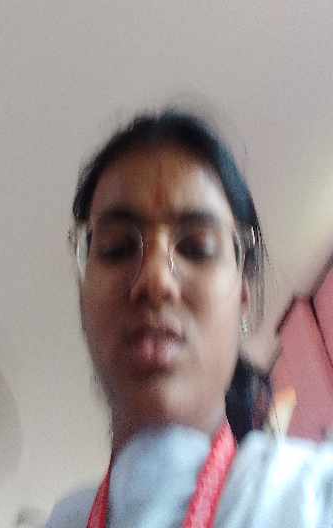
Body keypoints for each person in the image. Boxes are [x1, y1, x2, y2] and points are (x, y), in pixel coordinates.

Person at [46, 108, 333, 528]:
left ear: (242, 299)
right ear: (84, 299)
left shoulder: (308, 497)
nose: (155, 279)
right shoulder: (63, 520)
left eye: (197, 247)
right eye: (117, 247)